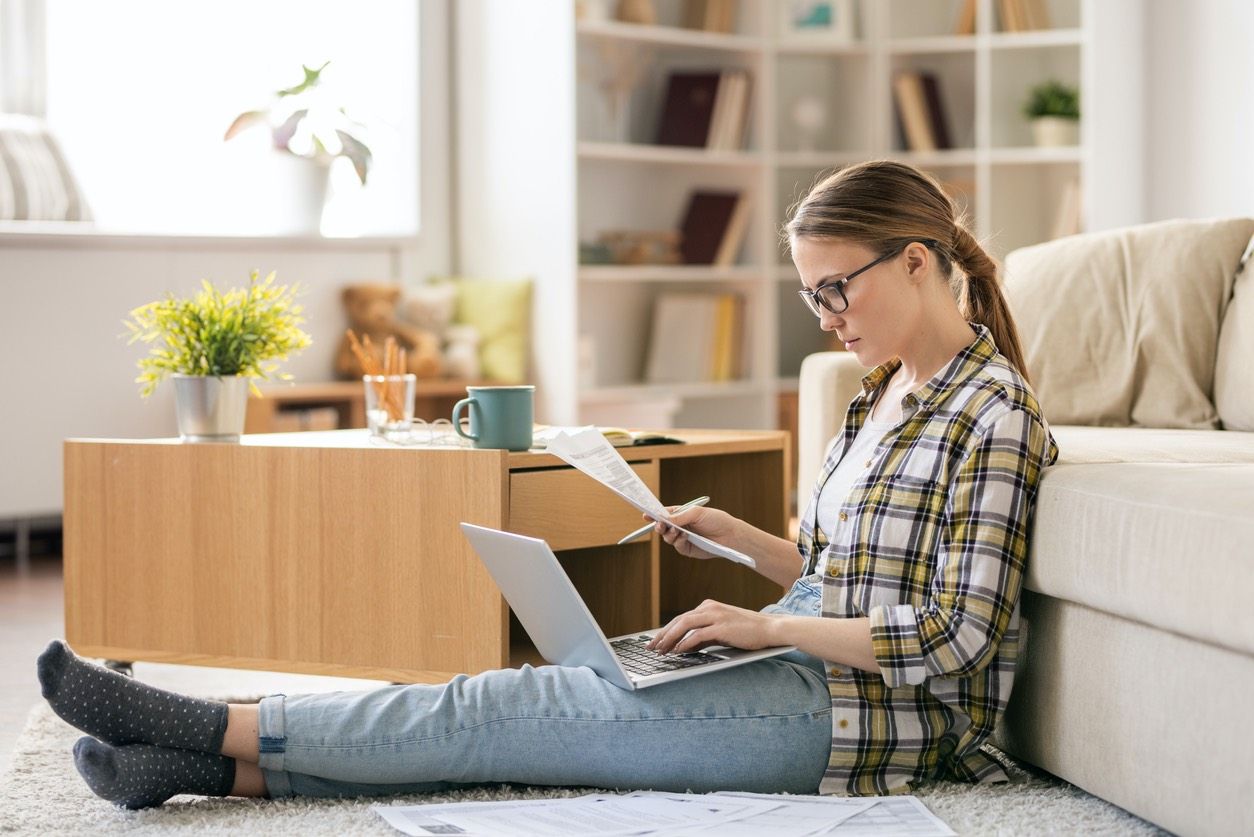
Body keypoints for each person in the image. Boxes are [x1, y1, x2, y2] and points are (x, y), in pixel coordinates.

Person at [37, 160, 1057, 809]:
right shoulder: (871, 395)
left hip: (865, 720)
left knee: (506, 711)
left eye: (838, 287)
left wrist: (765, 627)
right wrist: (740, 542)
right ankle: (221, 771)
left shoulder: (993, 416)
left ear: (920, 262)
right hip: (806, 668)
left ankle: (209, 727)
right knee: (528, 704)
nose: (824, 313)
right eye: (809, 293)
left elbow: (951, 636)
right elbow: (837, 573)